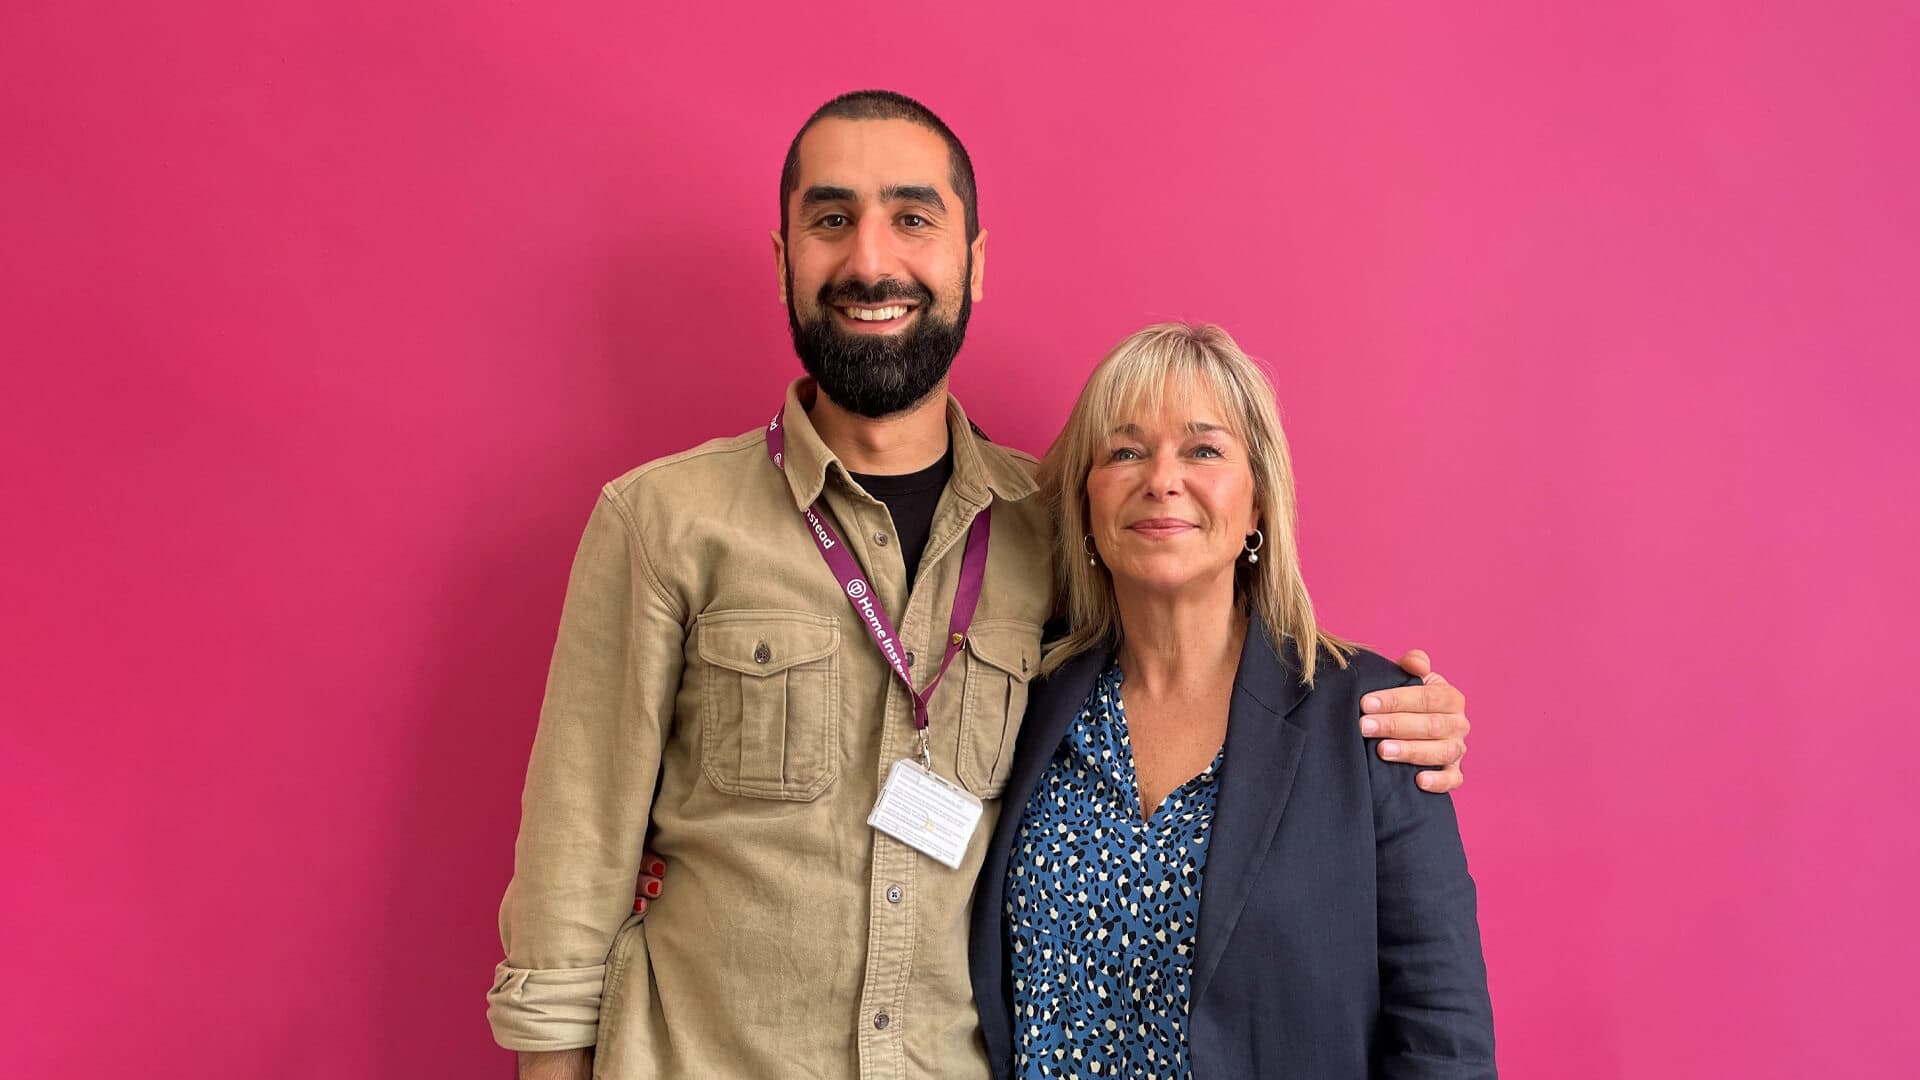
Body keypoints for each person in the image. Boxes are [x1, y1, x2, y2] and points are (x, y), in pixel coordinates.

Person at [488, 91, 1475, 1080]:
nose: (871, 260)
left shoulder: (1054, 525)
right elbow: (571, 880)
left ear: (973, 261)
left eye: (913, 218)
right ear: (784, 257)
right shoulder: (661, 524)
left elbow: (1198, 607)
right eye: (831, 220)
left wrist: (1387, 715)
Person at [968, 323, 1496, 1079]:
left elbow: (1443, 1036)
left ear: (1257, 505)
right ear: (1086, 504)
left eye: (1204, 450)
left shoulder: (1374, 719)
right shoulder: (1022, 699)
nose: (1161, 479)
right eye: (1123, 451)